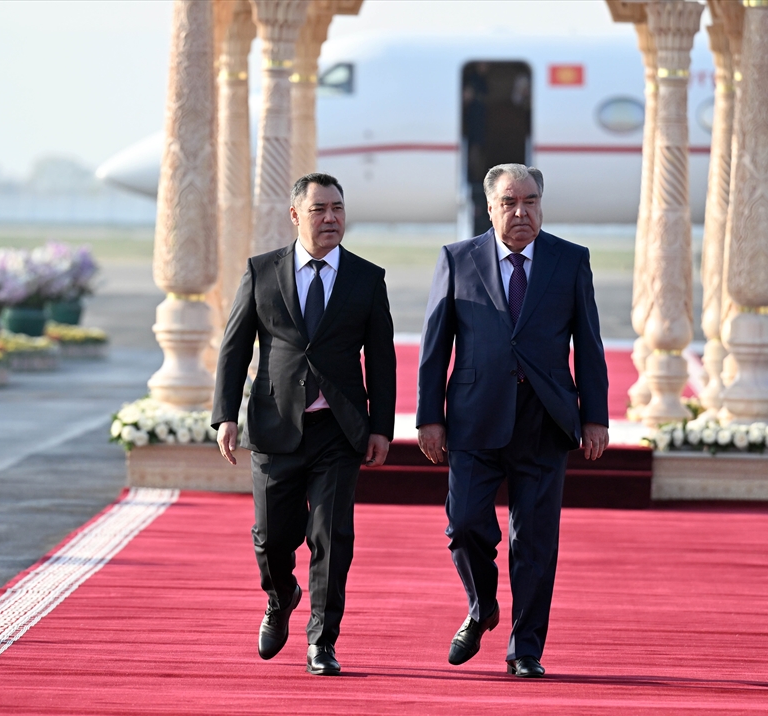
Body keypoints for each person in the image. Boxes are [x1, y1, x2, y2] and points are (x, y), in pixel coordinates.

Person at [416, 163, 609, 679]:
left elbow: (589, 344)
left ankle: (525, 649)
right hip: (474, 418)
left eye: (530, 202)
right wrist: (429, 417)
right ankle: (482, 607)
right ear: (490, 208)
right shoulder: (457, 259)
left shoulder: (570, 260)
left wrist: (595, 417)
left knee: (535, 541)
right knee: (464, 526)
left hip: (545, 419)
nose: (521, 212)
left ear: (541, 205)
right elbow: (435, 347)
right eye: (509, 202)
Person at [211, 172, 396, 676]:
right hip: (275, 424)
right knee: (271, 537)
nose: (331, 218)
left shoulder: (366, 278)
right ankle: (280, 597)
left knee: (331, 537)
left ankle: (322, 640)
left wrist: (381, 427)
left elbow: (382, 360)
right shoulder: (262, 271)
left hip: (339, 429)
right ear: (295, 216)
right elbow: (234, 348)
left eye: (337, 208)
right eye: (319, 209)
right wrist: (224, 415)